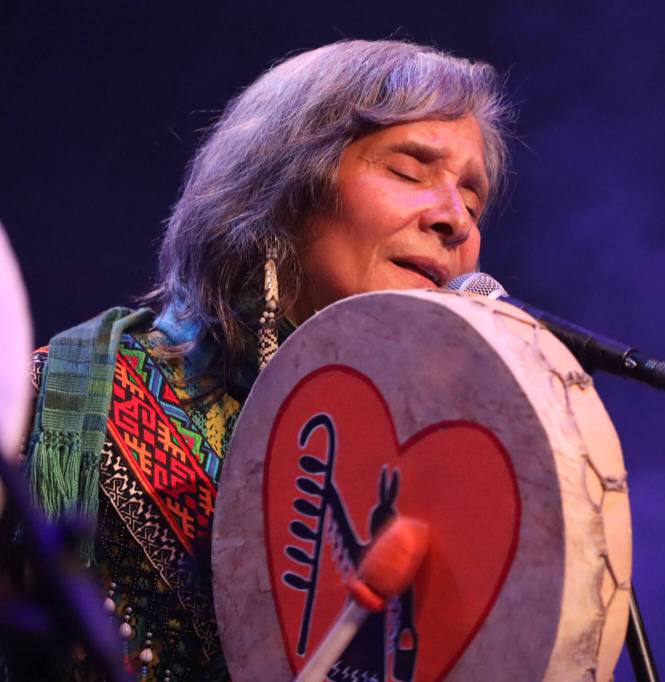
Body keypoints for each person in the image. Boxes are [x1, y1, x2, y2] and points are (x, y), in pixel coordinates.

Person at [1, 39, 510, 681]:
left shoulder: (430, 481)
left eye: (473, 199)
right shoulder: (55, 403)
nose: (455, 220)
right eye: (410, 171)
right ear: (285, 189)